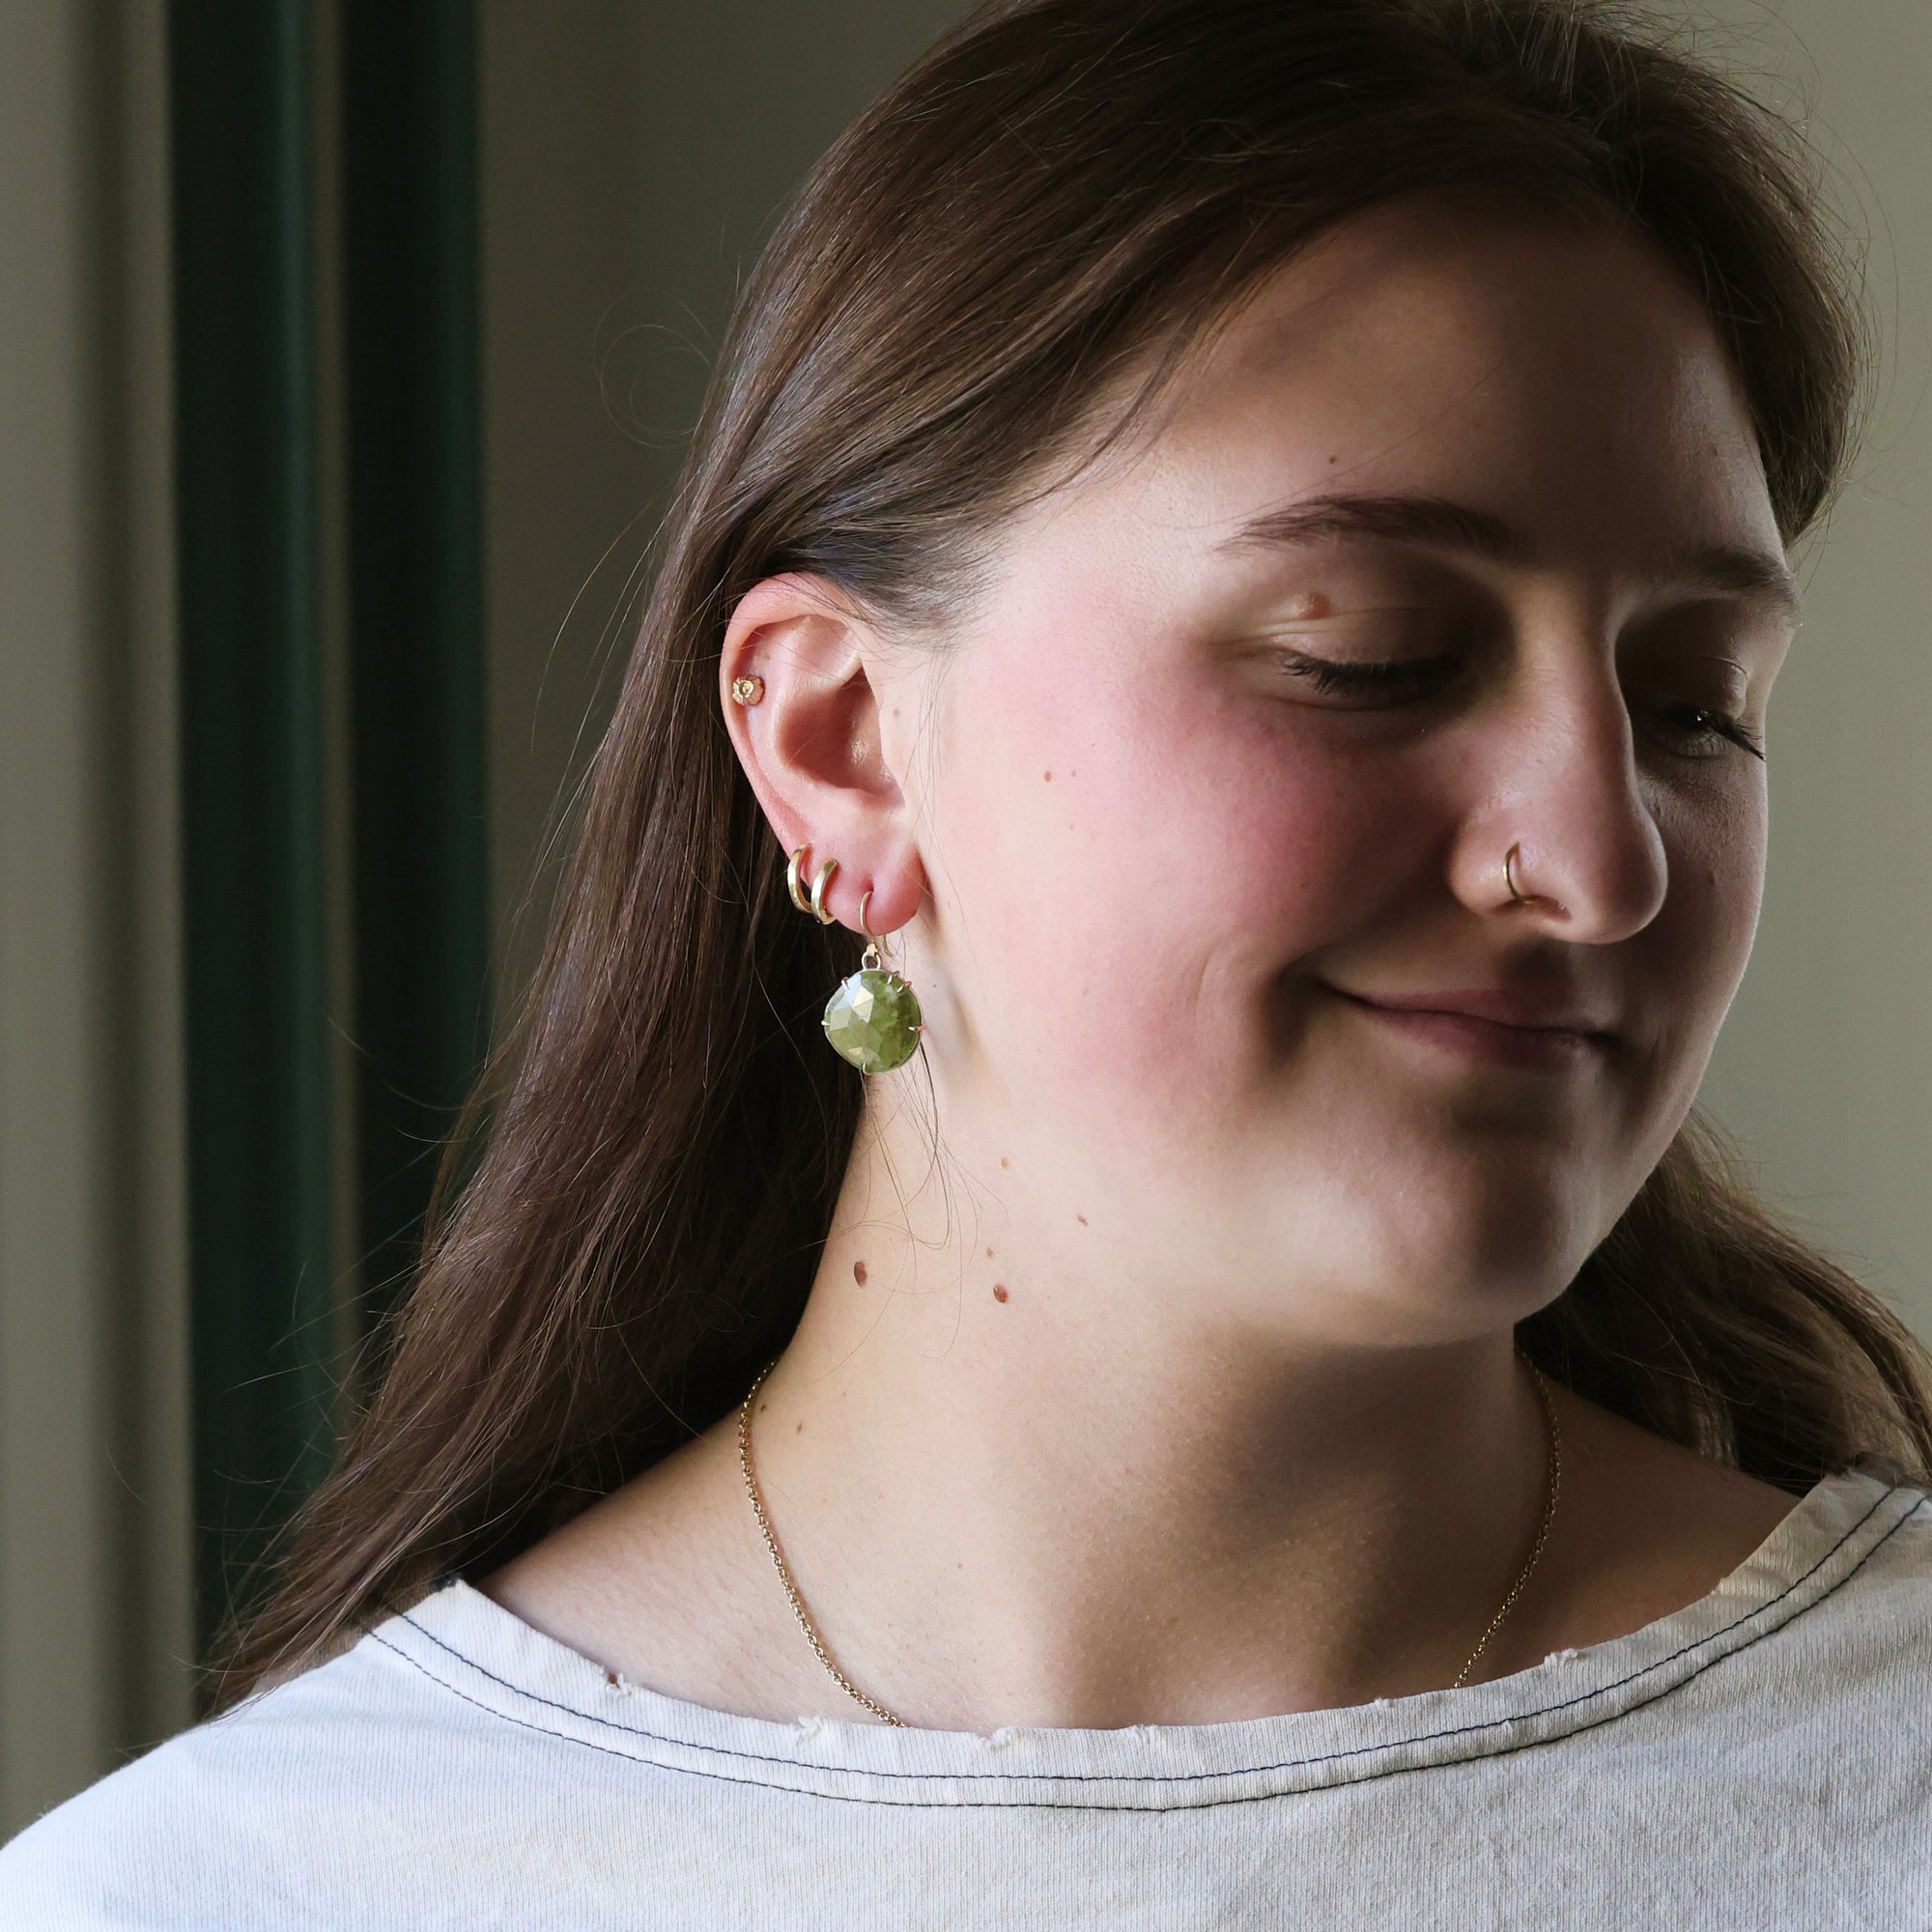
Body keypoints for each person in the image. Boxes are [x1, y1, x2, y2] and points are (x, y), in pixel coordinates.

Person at [7, 0, 1931, 1923]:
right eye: (1371, 655)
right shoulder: (211, 1895)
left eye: (1693, 706)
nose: (1594, 864)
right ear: (841, 742)